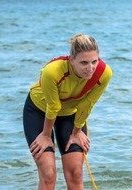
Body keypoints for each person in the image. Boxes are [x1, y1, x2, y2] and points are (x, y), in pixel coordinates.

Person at [23, 33, 112, 190]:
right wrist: (45, 135)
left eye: (94, 61)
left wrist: (77, 131)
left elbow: (87, 104)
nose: (90, 68)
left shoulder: (104, 73)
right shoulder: (51, 71)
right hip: (39, 111)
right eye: (84, 62)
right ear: (71, 60)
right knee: (48, 174)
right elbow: (53, 106)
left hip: (70, 114)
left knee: (76, 173)